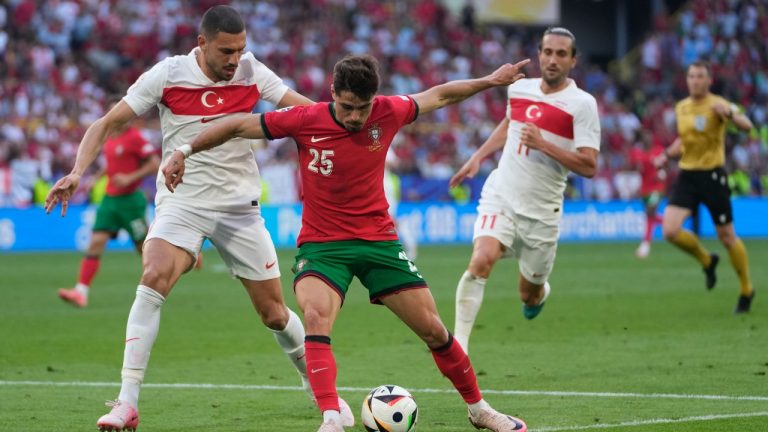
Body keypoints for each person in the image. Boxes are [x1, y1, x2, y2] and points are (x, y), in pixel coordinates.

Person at [164, 54, 532, 432]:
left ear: (375, 98)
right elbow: (239, 124)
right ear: (332, 95)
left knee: (435, 331)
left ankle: (480, 409)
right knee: (314, 317)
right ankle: (330, 419)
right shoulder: (305, 119)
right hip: (323, 248)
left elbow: (439, 95)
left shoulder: (389, 111)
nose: (356, 116)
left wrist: (490, 80)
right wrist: (184, 151)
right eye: (347, 107)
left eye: (363, 107)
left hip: (379, 243)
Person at [45, 6, 353, 431]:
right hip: (182, 201)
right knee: (152, 275)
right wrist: (78, 172)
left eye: (241, 49)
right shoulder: (168, 74)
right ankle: (127, 402)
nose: (235, 58)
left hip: (239, 208)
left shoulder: (250, 70)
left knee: (274, 314)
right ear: (202, 44)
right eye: (226, 50)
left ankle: (316, 385)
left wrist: (349, 120)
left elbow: (304, 112)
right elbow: (107, 122)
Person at [449, 27, 600, 353]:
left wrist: (544, 144)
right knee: (481, 260)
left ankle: (539, 293)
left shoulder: (582, 105)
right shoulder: (521, 89)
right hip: (502, 193)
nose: (552, 59)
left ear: (573, 60)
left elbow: (589, 165)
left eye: (561, 54)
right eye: (547, 52)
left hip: (542, 211)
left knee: (527, 295)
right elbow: (509, 124)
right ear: (540, 54)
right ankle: (457, 349)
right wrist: (478, 156)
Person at [654, 60, 755, 314]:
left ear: (709, 80)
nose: (695, 80)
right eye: (691, 76)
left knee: (727, 236)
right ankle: (707, 260)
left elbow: (747, 126)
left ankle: (746, 289)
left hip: (712, 176)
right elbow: (685, 141)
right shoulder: (682, 108)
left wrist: (730, 113)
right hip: (688, 175)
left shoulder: (718, 104)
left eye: (700, 76)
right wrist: (667, 155)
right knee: (670, 230)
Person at [57, 111, 160, 308]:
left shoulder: (136, 138)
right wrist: (96, 176)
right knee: (95, 243)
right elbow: (112, 164)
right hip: (110, 200)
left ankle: (161, 282)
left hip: (130, 201)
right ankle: (81, 292)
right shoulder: (111, 137)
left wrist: (130, 178)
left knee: (144, 249)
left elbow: (154, 164)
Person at [630, 130, 666, 259]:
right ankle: (671, 223)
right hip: (645, 189)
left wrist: (662, 172)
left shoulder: (658, 151)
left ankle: (645, 244)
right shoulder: (638, 154)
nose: (647, 140)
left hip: (657, 188)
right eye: (645, 138)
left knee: (650, 211)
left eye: (649, 138)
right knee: (650, 216)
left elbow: (665, 165)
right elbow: (633, 167)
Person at [383, 149, 418, 260]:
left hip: (385, 184)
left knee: (391, 219)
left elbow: (393, 163)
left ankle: (410, 244)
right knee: (387, 220)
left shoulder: (382, 145)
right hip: (375, 183)